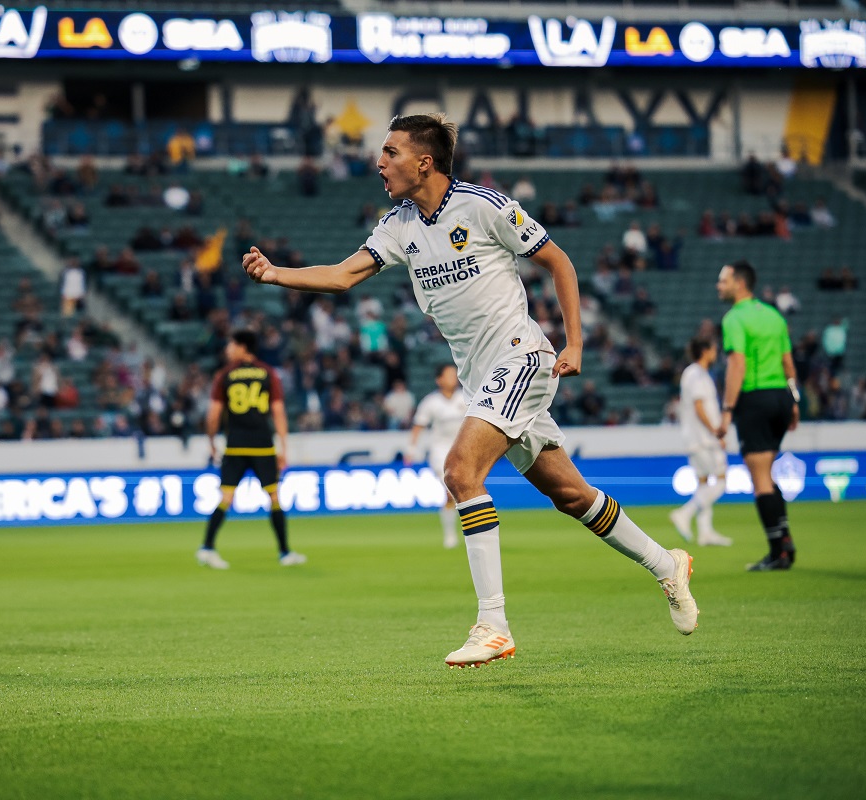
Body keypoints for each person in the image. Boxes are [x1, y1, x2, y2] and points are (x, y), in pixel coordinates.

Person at [242, 113, 698, 668]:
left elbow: (559, 262)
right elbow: (342, 275)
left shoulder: (483, 206)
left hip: (521, 356)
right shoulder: (399, 224)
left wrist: (573, 344)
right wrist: (274, 273)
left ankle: (493, 624)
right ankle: (666, 565)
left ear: (424, 161)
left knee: (460, 472)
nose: (380, 162)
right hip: (481, 377)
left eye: (390, 152)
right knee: (571, 495)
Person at [715, 260, 799, 571]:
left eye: (723, 280)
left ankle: (779, 552)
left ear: (739, 283)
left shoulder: (734, 318)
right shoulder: (774, 315)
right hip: (780, 396)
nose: (718, 285)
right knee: (768, 472)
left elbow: (737, 365)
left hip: (755, 398)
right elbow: (788, 362)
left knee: (760, 478)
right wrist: (794, 401)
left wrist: (726, 411)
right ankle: (785, 543)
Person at [198, 330, 304, 569]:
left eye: (231, 345)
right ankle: (285, 553)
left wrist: (212, 441)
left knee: (226, 497)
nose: (228, 349)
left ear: (243, 347)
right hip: (262, 444)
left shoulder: (225, 375)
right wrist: (284, 447)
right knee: (275, 497)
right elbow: (278, 411)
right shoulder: (268, 373)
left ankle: (207, 548)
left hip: (235, 444)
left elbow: (213, 415)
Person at [670, 338, 732, 547]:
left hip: (697, 438)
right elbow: (699, 407)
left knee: (704, 483)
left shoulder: (698, 373)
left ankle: (705, 532)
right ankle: (685, 513)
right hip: (703, 439)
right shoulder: (696, 374)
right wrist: (716, 432)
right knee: (721, 481)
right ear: (705, 351)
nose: (716, 352)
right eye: (714, 348)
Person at [405, 363, 467, 549]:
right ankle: (450, 535)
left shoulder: (466, 397)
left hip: (462, 450)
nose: (453, 378)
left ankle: (472, 532)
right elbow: (418, 426)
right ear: (439, 380)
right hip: (440, 452)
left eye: (454, 374)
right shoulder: (430, 402)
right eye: (448, 375)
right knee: (450, 492)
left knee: (465, 493)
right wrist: (411, 449)